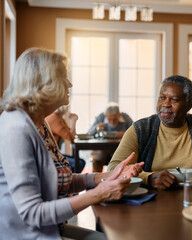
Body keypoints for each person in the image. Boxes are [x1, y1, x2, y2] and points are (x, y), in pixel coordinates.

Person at [0, 47, 144, 239]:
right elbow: (32, 213)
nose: (70, 84)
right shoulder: (16, 129)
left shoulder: (40, 122)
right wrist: (98, 194)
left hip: (52, 229)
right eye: (63, 77)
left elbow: (61, 181)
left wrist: (109, 176)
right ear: (44, 83)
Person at [108, 75, 192, 190]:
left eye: (174, 99)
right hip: (149, 200)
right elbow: (113, 169)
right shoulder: (141, 129)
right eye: (162, 97)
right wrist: (149, 178)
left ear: (189, 104)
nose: (165, 104)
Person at [88, 103, 133, 172]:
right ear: (106, 115)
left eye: (114, 119)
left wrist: (125, 134)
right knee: (98, 158)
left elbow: (134, 132)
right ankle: (96, 180)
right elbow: (89, 133)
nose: (112, 121)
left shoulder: (125, 117)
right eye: (109, 119)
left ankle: (119, 179)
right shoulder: (101, 117)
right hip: (102, 148)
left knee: (121, 158)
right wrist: (97, 128)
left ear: (119, 115)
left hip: (119, 147)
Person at [46, 106, 86, 173]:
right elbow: (70, 137)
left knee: (79, 161)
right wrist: (73, 121)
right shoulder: (55, 119)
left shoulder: (57, 117)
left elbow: (72, 136)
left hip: (53, 153)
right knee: (79, 163)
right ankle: (70, 181)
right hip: (51, 155)